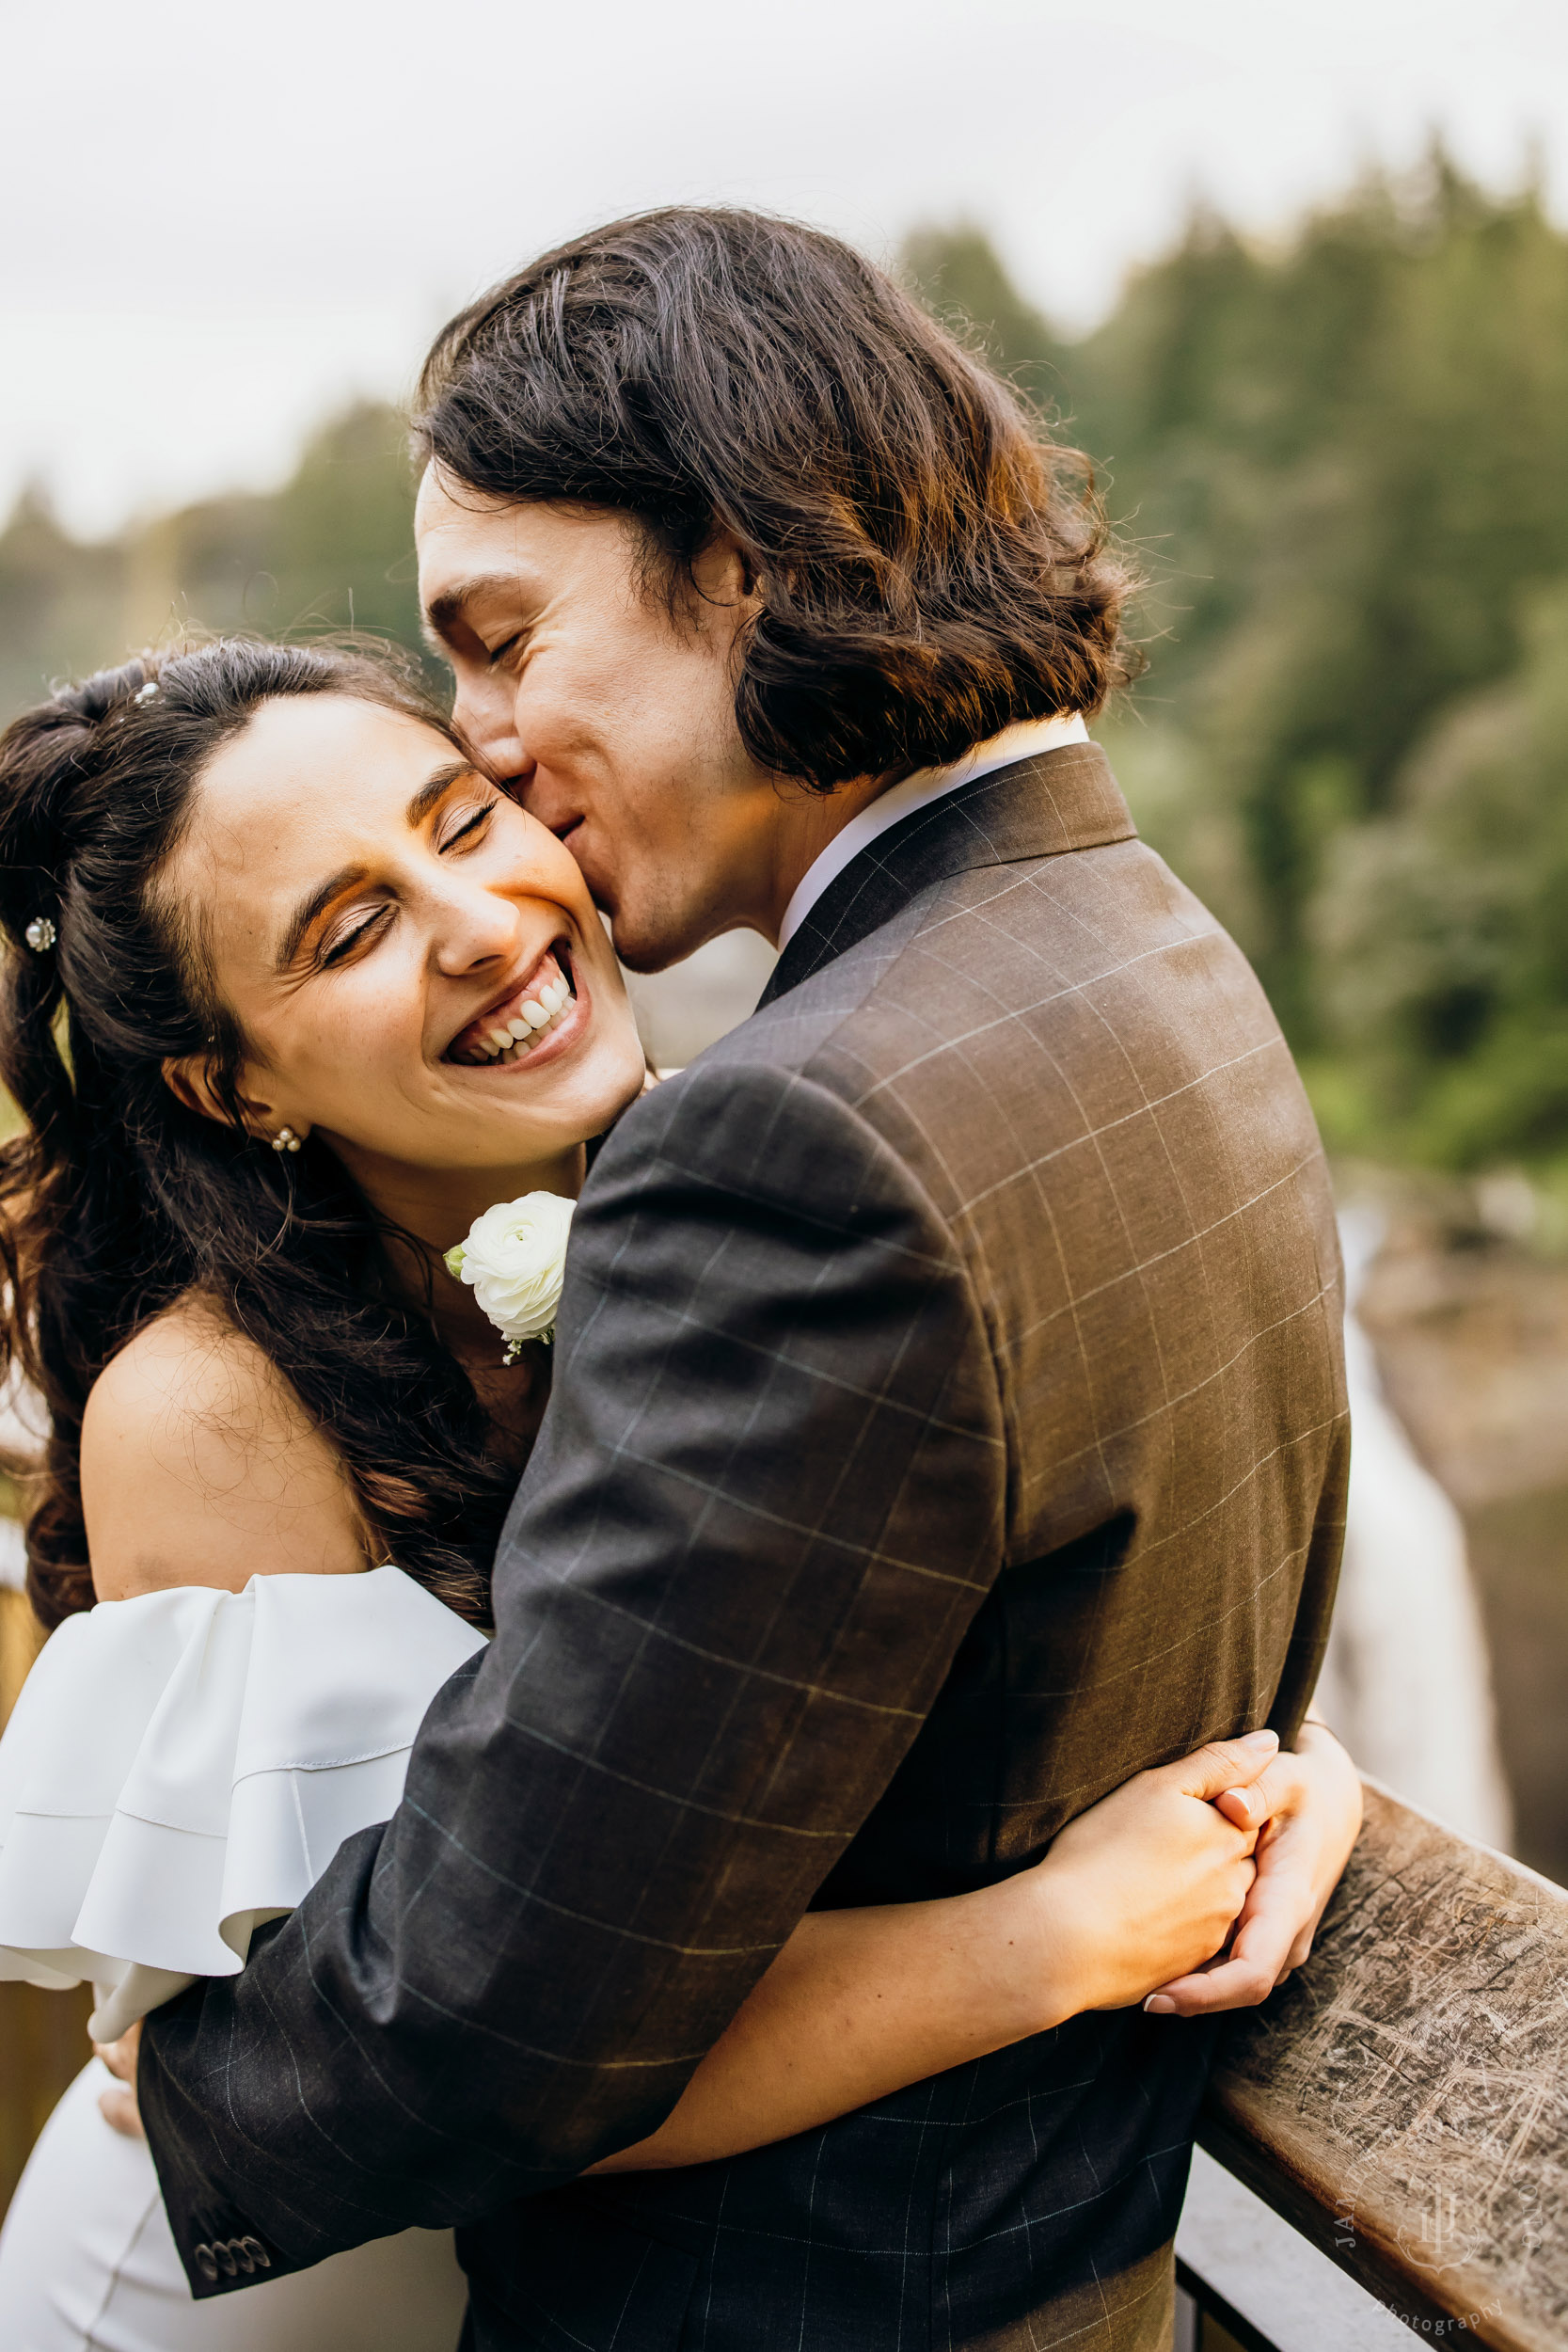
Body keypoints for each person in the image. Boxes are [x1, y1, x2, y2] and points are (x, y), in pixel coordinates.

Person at [62, 205, 1357, 2349]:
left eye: (495, 639)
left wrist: (198, 2085)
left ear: (742, 565)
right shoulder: (1143, 943)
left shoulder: (799, 1139)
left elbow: (495, 2002)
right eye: (345, 918)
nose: (484, 749)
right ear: (234, 1079)